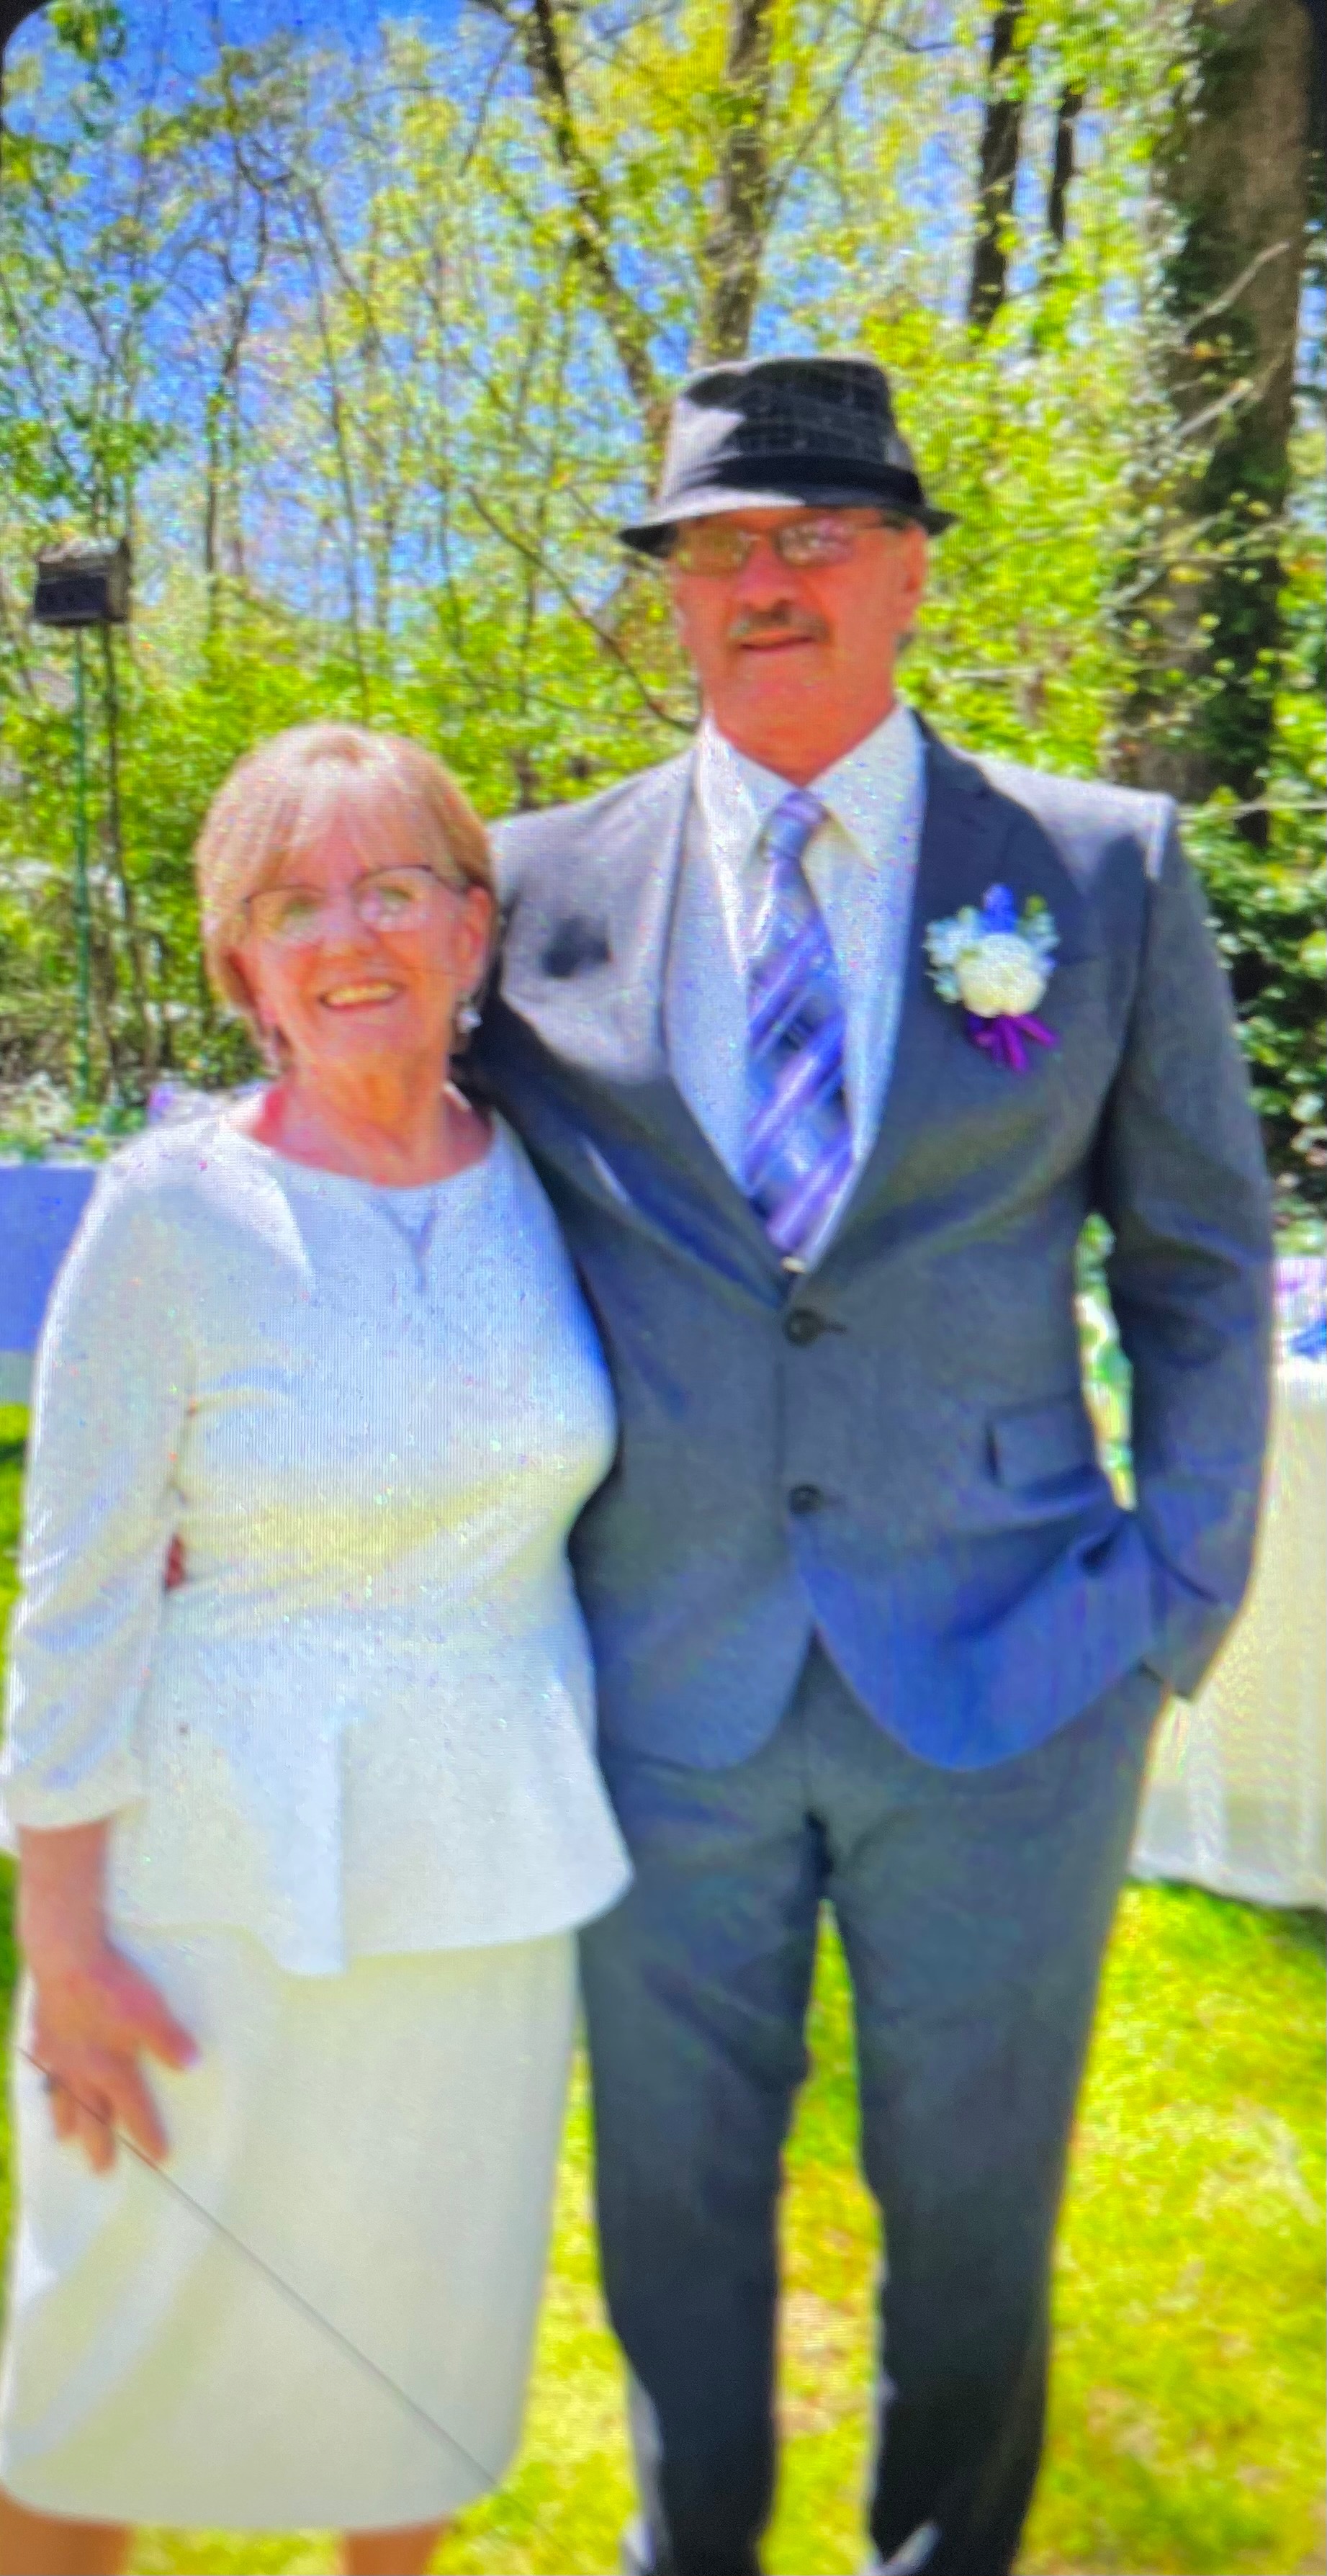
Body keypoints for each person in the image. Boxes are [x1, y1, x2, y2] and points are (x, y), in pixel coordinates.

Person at [471, 352, 1274, 2576]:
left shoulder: (1096, 871)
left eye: (811, 537)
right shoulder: (526, 892)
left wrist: (1171, 1601)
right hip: (658, 1685)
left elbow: (1199, 1259)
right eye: (712, 548)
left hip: (1018, 1679)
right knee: (667, 2214)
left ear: (911, 568)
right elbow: (397, 1181)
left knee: (977, 2217)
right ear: (667, 594)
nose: (761, 582)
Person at [0, 723, 630, 2576]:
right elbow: (78, 1597)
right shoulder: (171, 1212)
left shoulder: (556, 1181)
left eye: (392, 887)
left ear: (472, 925)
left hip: (490, 1881)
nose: (348, 935)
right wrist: (63, 1954)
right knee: (103, 2357)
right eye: (289, 905)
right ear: (240, 966)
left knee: (414, 2345)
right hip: (209, 1891)